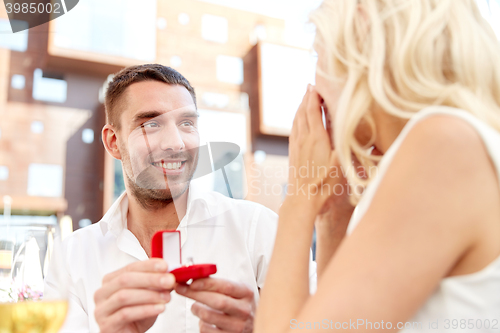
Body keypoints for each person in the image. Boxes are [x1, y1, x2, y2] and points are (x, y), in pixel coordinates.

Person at [251, 0, 500, 332]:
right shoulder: (448, 144)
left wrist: (299, 197)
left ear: (361, 47)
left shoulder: (442, 144)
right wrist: (332, 214)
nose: (315, 86)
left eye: (319, 57)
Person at [44, 64, 317, 333]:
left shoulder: (257, 229)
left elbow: (330, 318)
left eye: (187, 123)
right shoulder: (71, 259)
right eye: (151, 124)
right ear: (114, 142)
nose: (175, 143)